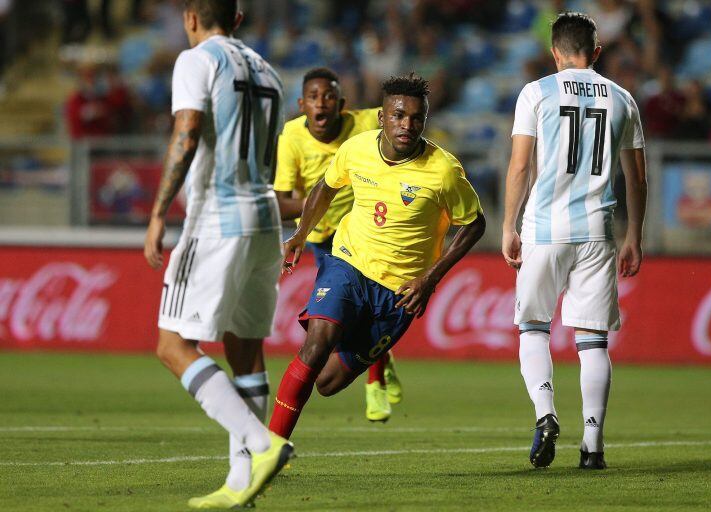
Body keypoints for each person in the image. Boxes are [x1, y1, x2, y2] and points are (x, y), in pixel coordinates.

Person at [269, 73, 486, 440]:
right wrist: (301, 234)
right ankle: (269, 450)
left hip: (400, 292)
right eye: (399, 116)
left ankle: (374, 368)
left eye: (416, 118)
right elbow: (326, 186)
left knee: (327, 382)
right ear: (382, 118)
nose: (407, 125)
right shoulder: (356, 149)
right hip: (348, 263)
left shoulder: (444, 171)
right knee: (316, 344)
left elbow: (474, 224)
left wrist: (430, 279)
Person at [142, 0, 292, 508]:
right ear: (239, 19)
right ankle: (240, 480)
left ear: (190, 17)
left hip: (217, 220)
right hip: (265, 219)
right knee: (245, 349)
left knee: (171, 344)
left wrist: (160, 211)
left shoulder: (197, 59)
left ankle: (260, 443)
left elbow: (186, 131)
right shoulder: (269, 71)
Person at [502, 12, 647, 470]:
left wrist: (508, 226)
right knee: (594, 342)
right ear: (597, 52)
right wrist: (635, 237)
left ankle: (546, 416)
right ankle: (593, 446)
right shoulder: (623, 99)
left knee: (533, 327)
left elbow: (521, 166)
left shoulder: (537, 92)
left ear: (555, 53)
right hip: (597, 231)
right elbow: (637, 177)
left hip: (544, 228)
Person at [274, 66, 404, 423]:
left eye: (329, 96)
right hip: (318, 236)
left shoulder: (363, 124)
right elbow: (280, 200)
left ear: (341, 104)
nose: (322, 103)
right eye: (314, 97)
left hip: (361, 235)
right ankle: (382, 363)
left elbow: (400, 124)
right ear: (302, 104)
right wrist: (317, 204)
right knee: (343, 321)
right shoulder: (291, 136)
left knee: (354, 312)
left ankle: (374, 384)